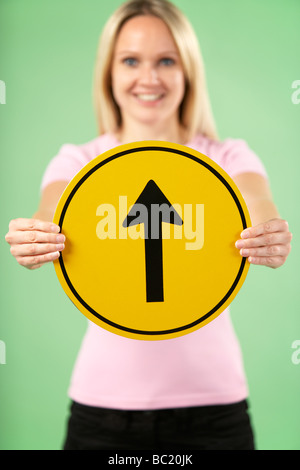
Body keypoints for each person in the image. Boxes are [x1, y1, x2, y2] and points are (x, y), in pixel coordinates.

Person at [5, 0, 292, 450]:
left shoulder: (228, 157)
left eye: (166, 61)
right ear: (109, 73)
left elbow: (257, 202)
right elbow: (51, 210)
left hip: (216, 412)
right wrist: (34, 237)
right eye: (131, 60)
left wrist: (269, 235)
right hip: (102, 414)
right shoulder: (78, 161)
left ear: (188, 72)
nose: (149, 77)